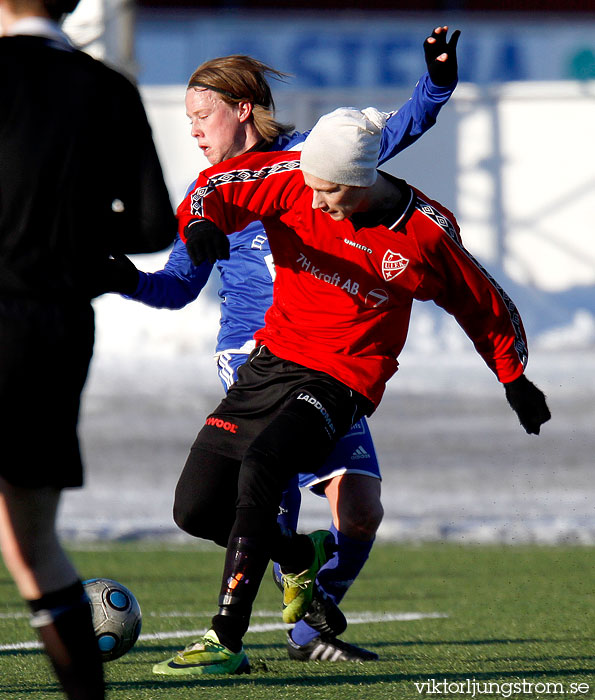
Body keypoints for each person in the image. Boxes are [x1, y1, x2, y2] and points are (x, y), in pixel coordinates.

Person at [151, 105, 551, 677]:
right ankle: (298, 555)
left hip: (342, 379)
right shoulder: (295, 180)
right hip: (272, 361)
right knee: (194, 509)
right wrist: (201, 224)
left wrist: (515, 379)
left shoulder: (426, 234)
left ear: (361, 181)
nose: (313, 202)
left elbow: (483, 305)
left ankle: (224, 640)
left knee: (265, 465)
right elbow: (215, 186)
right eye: (309, 186)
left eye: (328, 192)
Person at [106, 27, 461, 664]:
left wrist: (435, 85)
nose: (193, 130)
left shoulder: (312, 159)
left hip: (331, 357)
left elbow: (394, 130)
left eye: (202, 114)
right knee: (268, 494)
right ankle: (253, 635)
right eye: (188, 119)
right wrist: (125, 277)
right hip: (254, 354)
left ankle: (306, 608)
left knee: (360, 509)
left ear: (244, 108)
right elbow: (178, 288)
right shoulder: (212, 195)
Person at [0, 1, 175, 698]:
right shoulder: (107, 89)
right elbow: (152, 224)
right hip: (55, 327)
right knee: (34, 540)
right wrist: (78, 247)